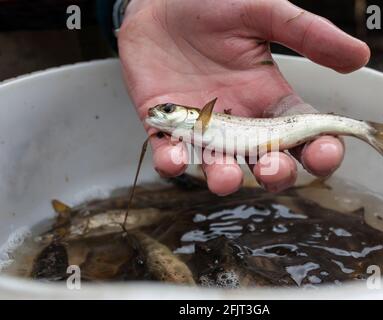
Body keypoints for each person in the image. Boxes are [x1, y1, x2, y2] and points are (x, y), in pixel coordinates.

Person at [113, 0, 370, 195]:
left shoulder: (198, 124)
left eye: (168, 109)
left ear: (194, 116)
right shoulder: (192, 129)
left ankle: (364, 130)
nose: (160, 113)